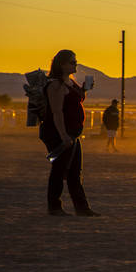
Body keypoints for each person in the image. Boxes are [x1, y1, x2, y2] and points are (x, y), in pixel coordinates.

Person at [40, 50, 98, 216]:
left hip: (72, 133)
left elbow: (76, 101)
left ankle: (82, 207)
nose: (75, 64)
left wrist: (85, 90)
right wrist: (64, 136)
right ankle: (54, 207)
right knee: (59, 169)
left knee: (74, 171)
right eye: (72, 62)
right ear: (62, 64)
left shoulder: (70, 82)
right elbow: (57, 112)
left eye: (75, 61)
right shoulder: (55, 85)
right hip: (59, 133)